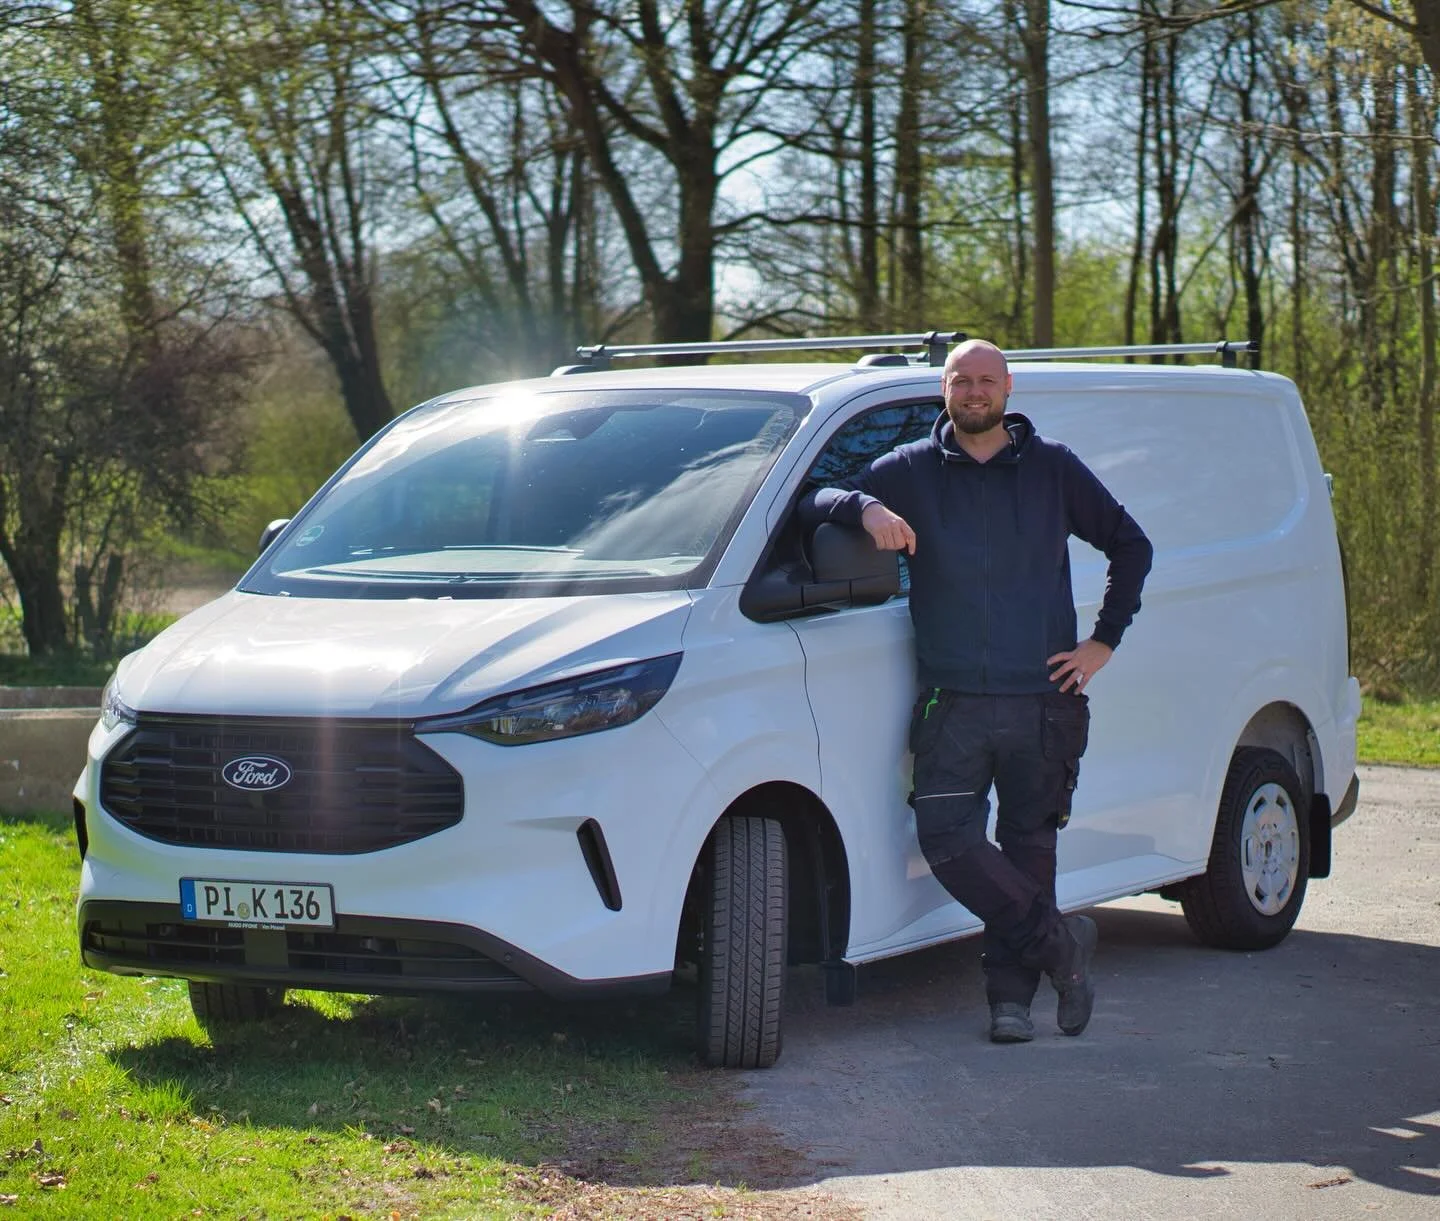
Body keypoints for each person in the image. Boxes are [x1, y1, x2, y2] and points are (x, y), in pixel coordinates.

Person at [800, 338, 1153, 1042]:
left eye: (986, 380)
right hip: (952, 699)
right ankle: (1061, 946)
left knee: (1029, 846)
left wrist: (1102, 642)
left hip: (1042, 699)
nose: (974, 392)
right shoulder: (909, 471)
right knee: (947, 840)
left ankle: (1010, 1002)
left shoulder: (1053, 469)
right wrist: (865, 507)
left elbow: (1131, 544)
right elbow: (814, 497)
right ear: (944, 389)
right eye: (961, 380)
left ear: (1009, 388)